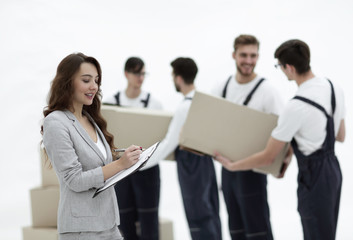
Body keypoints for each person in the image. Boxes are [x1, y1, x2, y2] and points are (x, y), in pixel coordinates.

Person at [215, 39, 346, 240]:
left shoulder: (295, 106)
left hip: (313, 177)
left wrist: (233, 166)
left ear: (289, 68)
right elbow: (340, 135)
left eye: (280, 67)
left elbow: (268, 157)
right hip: (333, 171)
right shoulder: (333, 87)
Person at [41, 52, 142, 240]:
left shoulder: (89, 118)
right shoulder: (55, 122)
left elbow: (100, 165)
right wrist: (120, 165)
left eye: (96, 80)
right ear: (67, 82)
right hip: (82, 229)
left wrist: (126, 158)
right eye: (86, 80)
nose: (94, 86)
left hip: (109, 222)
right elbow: (75, 180)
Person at [211, 34, 284, 240]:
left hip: (253, 172)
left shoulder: (267, 91)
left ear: (258, 56)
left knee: (258, 231)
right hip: (227, 170)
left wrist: (283, 163)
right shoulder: (221, 87)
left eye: (253, 55)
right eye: (244, 55)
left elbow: (284, 132)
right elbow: (207, 121)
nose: (248, 61)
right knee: (236, 230)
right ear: (234, 55)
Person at [143, 57, 222, 239]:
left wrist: (140, 164)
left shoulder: (184, 108)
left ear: (178, 78)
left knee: (198, 216)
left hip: (191, 167)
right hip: (207, 165)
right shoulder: (206, 101)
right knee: (211, 214)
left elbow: (168, 144)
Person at [104, 57, 163, 240]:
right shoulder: (110, 103)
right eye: (137, 73)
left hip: (147, 169)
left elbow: (160, 139)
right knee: (124, 219)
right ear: (126, 74)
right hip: (121, 169)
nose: (141, 77)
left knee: (149, 220)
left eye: (143, 73)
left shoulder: (153, 103)